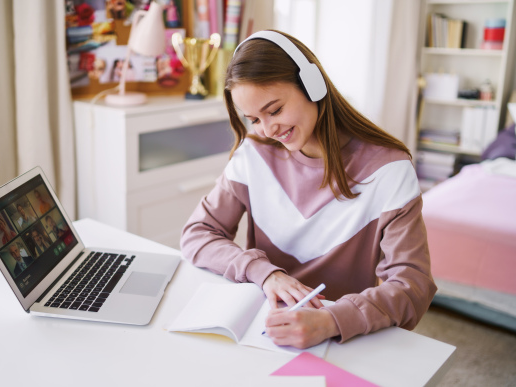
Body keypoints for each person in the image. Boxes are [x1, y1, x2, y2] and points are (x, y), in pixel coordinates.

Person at [180, 30, 436, 349]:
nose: (268, 129)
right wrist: (264, 273)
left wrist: (331, 320)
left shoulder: (389, 170)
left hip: (345, 337)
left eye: (274, 110)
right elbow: (197, 234)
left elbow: (413, 284)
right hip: (262, 330)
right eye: (254, 119)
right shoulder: (253, 153)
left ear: (312, 85)